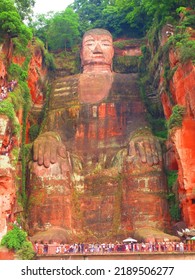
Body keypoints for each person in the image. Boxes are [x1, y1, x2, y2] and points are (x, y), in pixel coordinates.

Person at [29, 29, 171, 241]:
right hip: (73, 160)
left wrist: (142, 136)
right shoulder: (61, 85)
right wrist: (48, 138)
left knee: (145, 155)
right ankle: (56, 225)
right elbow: (52, 127)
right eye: (89, 44)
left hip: (119, 156)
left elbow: (139, 124)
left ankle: (146, 224)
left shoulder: (130, 82)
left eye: (104, 44)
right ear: (80, 53)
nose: (96, 49)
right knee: (46, 160)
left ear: (113, 52)